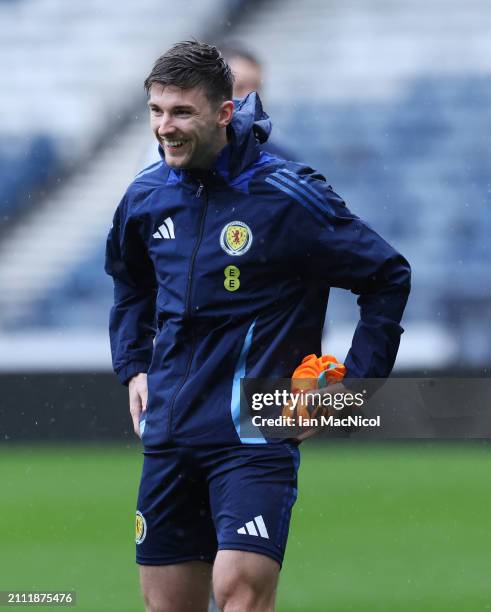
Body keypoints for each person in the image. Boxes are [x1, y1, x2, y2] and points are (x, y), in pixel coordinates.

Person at [105, 41, 411, 612]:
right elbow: (131, 285)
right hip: (170, 428)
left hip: (255, 429)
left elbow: (387, 276)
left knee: (239, 591)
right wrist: (134, 365)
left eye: (181, 113)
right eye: (156, 111)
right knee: (167, 604)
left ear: (224, 112)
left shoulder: (289, 196)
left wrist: (353, 390)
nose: (164, 128)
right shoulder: (145, 196)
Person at [220, 41, 296, 161]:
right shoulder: (186, 159)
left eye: (257, 87)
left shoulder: (282, 162)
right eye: (240, 87)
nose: (253, 98)